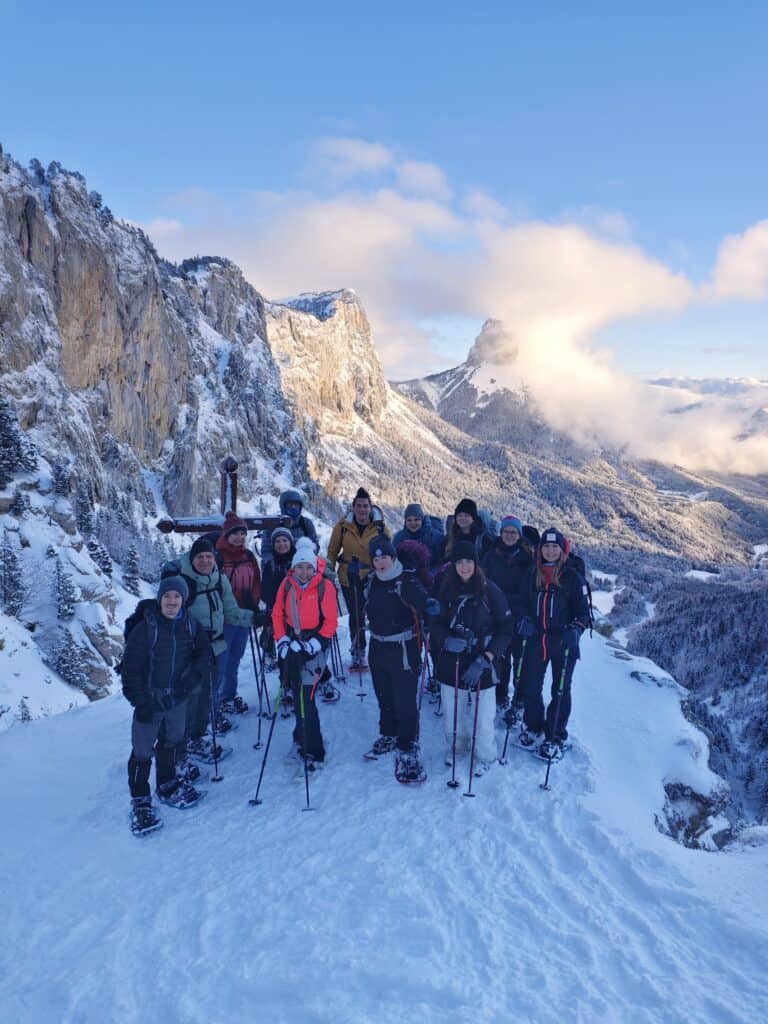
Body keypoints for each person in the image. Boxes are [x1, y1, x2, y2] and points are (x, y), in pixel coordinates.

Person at [122, 576, 211, 833]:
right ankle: (140, 800)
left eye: (177, 597)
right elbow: (130, 669)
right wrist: (140, 701)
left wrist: (189, 682)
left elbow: (203, 656)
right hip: (149, 698)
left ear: (184, 600)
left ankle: (168, 784)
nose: (172, 601)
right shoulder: (146, 628)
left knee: (172, 742)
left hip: (176, 697)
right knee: (141, 751)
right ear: (160, 598)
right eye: (167, 596)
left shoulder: (190, 625)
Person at [431, 541, 514, 775]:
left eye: (469, 561)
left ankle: (485, 755)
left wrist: (487, 657)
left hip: (482, 661)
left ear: (476, 564)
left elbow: (506, 627)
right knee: (452, 712)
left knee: (483, 716)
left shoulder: (490, 591)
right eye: (460, 562)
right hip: (452, 660)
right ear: (453, 564)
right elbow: (434, 624)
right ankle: (458, 747)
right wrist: (445, 640)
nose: (464, 566)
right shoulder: (446, 589)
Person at [179, 537, 256, 763]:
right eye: (200, 556)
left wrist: (255, 618)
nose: (204, 561)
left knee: (208, 695)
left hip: (217, 646)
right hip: (191, 652)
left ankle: (197, 739)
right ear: (192, 559)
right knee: (191, 698)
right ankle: (182, 746)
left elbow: (231, 612)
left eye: (208, 556)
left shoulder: (220, 580)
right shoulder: (182, 583)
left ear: (214, 559)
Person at [516, 528, 590, 760]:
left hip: (563, 641)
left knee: (560, 689)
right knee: (530, 685)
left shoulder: (572, 578)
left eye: (554, 547)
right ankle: (533, 725)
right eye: (546, 547)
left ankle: (555, 735)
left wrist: (576, 629)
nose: (550, 551)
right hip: (537, 639)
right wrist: (524, 620)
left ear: (562, 550)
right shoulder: (532, 574)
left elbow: (584, 613)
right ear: (540, 550)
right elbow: (521, 603)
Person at [364, 536, 432, 783]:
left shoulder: (406, 581)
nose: (381, 562)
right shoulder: (372, 581)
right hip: (378, 646)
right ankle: (389, 733)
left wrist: (430, 607)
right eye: (376, 558)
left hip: (403, 647)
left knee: (404, 699)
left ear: (393, 558)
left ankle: (408, 743)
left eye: (385, 557)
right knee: (384, 694)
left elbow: (425, 602)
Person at [272, 538, 338, 769]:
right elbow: (277, 614)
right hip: (291, 643)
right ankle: (301, 737)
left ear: (314, 567)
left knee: (306, 697)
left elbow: (331, 622)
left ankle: (314, 748)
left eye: (308, 567)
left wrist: (314, 644)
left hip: (314, 645)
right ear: (293, 567)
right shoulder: (287, 584)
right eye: (299, 567)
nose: (303, 572)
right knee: (297, 689)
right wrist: (281, 641)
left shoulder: (323, 586)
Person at [326, 487, 390, 669]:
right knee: (356, 615)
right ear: (353, 508)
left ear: (371, 507)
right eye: (359, 506)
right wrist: (329, 570)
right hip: (349, 577)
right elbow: (332, 551)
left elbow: (389, 552)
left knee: (377, 614)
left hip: (374, 577)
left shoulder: (380, 527)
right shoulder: (342, 528)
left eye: (365, 506)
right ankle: (358, 651)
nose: (362, 509)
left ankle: (380, 651)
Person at [481, 514, 535, 716]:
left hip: (519, 617)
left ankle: (519, 700)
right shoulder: (491, 555)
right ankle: (500, 696)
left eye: (514, 532)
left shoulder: (528, 559)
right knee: (500, 657)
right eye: (506, 531)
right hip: (497, 616)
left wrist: (527, 615)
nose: (510, 535)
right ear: (501, 532)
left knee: (520, 660)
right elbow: (483, 582)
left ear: (519, 535)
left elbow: (531, 590)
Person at [215, 512, 262, 716]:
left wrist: (254, 603)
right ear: (226, 535)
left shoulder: (249, 556)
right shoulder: (217, 557)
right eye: (235, 533)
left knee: (235, 658)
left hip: (244, 616)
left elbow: (256, 582)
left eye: (243, 533)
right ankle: (214, 702)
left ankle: (228, 696)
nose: (240, 537)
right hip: (225, 618)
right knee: (221, 661)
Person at [260, 527, 296, 671]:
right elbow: (266, 590)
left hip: (300, 609)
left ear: (291, 542)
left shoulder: (299, 561)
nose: (281, 544)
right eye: (278, 541)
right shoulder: (270, 565)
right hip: (278, 610)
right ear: (273, 545)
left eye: (285, 540)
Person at [261, 489, 318, 567]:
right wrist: (272, 566)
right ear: (283, 506)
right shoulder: (273, 523)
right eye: (290, 505)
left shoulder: (306, 523)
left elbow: (315, 546)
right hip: (278, 566)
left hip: (301, 567)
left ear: (300, 507)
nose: (294, 507)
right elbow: (266, 550)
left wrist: (304, 558)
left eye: (296, 505)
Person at [441, 498, 495, 564]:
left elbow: (487, 563)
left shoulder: (483, 539)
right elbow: (442, 560)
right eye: (459, 515)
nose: (462, 518)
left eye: (466, 516)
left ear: (473, 519)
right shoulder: (450, 538)